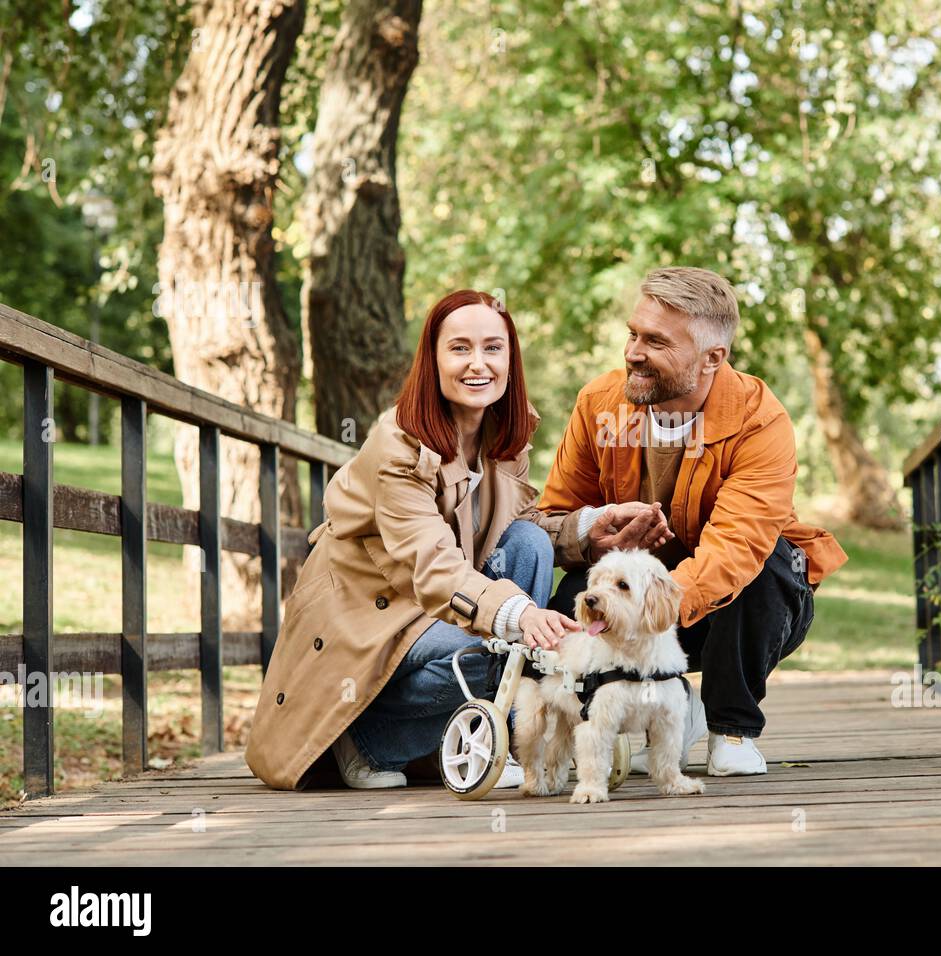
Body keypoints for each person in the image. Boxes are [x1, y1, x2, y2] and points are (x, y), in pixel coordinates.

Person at [245, 290, 581, 791]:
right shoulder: (398, 444)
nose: (478, 364)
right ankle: (367, 739)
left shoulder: (502, 435)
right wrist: (519, 616)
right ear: (433, 359)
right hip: (373, 613)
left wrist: (591, 530)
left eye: (493, 348)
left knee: (531, 542)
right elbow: (433, 565)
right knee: (497, 645)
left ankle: (498, 731)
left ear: (510, 358)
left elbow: (516, 527)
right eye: (460, 348)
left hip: (437, 606)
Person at [530, 267, 849, 776]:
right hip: (629, 604)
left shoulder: (759, 419)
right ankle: (629, 705)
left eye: (656, 341)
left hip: (730, 615)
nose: (634, 351)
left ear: (712, 358)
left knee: (764, 565)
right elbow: (550, 520)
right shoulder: (598, 403)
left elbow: (735, 549)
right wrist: (593, 537)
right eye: (633, 334)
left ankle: (732, 730)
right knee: (565, 595)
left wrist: (648, 608)